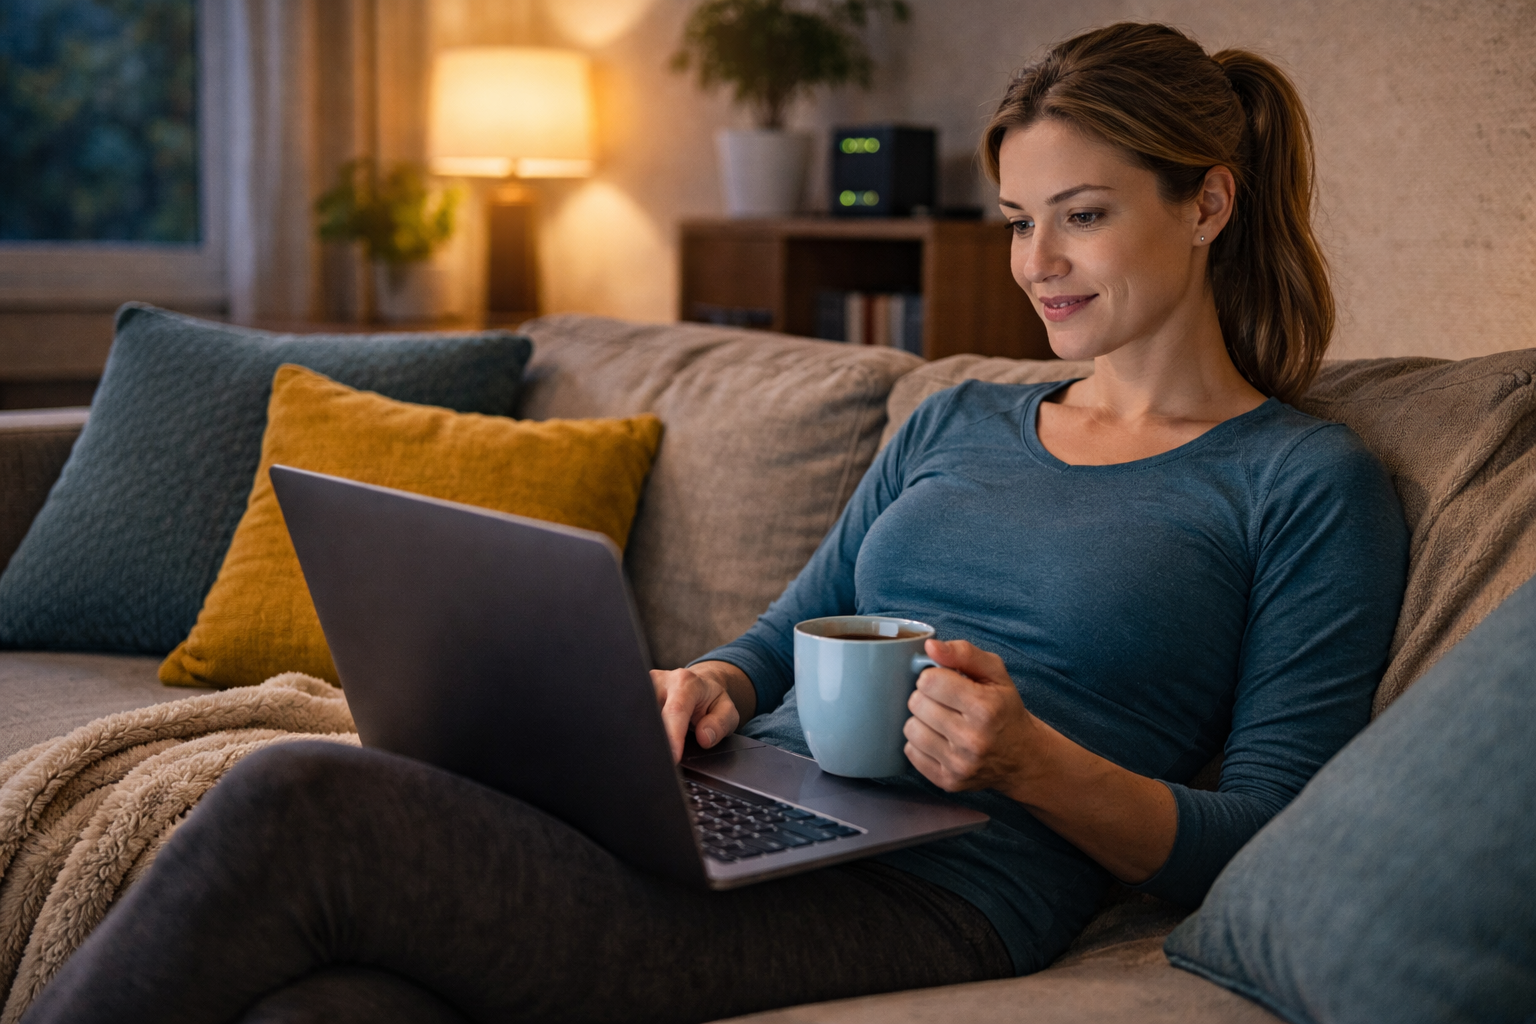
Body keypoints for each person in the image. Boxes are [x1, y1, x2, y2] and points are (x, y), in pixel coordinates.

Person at [23, 22, 1407, 1024]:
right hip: (742, 807)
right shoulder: (957, 417)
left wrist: (1034, 763)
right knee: (328, 1008)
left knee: (295, 799)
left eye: (1083, 217)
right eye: (1015, 219)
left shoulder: (1299, 485)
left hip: (935, 891)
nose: (1034, 263)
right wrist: (707, 684)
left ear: (1208, 203)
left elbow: (1265, 837)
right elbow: (777, 637)